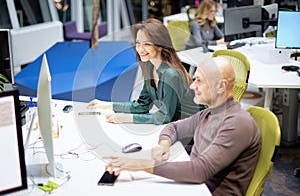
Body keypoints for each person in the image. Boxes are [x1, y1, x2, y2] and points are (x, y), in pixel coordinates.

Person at [104, 57, 261, 196]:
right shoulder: (208, 114)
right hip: (194, 187)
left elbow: (200, 171)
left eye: (199, 80)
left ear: (221, 86)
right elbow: (173, 128)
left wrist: (141, 164)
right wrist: (163, 145)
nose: (193, 86)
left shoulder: (237, 124)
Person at [87, 18, 205, 125]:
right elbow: (142, 105)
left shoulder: (171, 74)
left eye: (147, 44)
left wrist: (125, 118)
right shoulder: (150, 67)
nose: (140, 49)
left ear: (160, 45)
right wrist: (106, 105)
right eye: (138, 43)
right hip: (178, 126)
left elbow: (164, 117)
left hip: (197, 129)